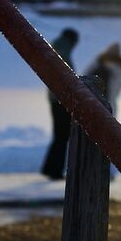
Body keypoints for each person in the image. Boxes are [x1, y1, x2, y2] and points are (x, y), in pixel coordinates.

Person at [41, 28, 79, 180]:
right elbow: (66, 77)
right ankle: (54, 170)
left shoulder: (56, 48)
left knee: (59, 135)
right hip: (60, 99)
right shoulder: (63, 52)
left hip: (55, 98)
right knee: (62, 135)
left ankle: (50, 168)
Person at [84, 42, 121, 115]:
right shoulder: (119, 69)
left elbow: (85, 75)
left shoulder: (98, 64)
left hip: (89, 100)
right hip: (108, 103)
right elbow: (117, 90)